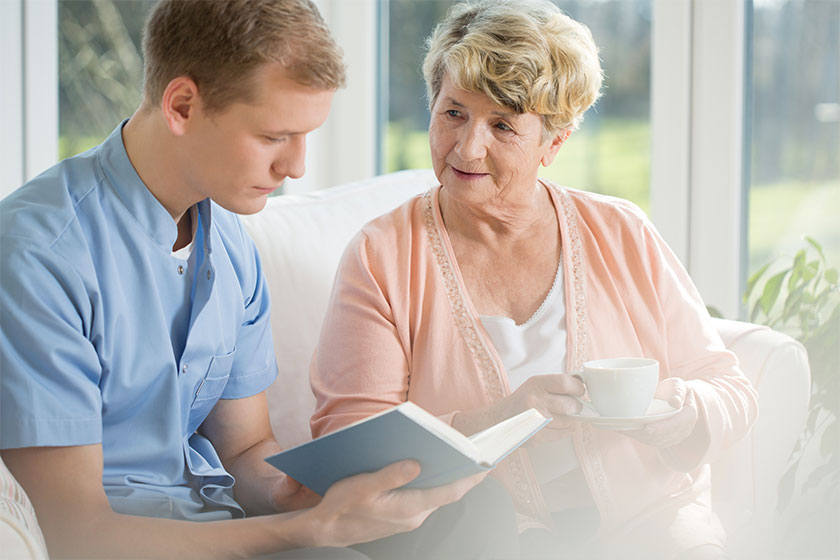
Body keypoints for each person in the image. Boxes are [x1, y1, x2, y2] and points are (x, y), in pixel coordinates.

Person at [0, 1, 519, 558]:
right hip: (131, 541)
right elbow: (77, 535)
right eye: (275, 137)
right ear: (181, 106)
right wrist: (308, 531)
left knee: (470, 508)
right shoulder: (39, 257)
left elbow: (244, 449)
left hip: (224, 521)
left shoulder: (226, 239)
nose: (295, 167)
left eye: (305, 137)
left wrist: (307, 497)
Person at [309, 1, 759, 559]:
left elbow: (730, 388)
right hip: (486, 537)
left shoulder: (621, 231)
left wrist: (676, 414)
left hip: (652, 527)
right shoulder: (382, 256)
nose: (469, 147)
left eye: (502, 125)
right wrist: (505, 419)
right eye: (454, 113)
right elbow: (349, 447)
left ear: (554, 142)